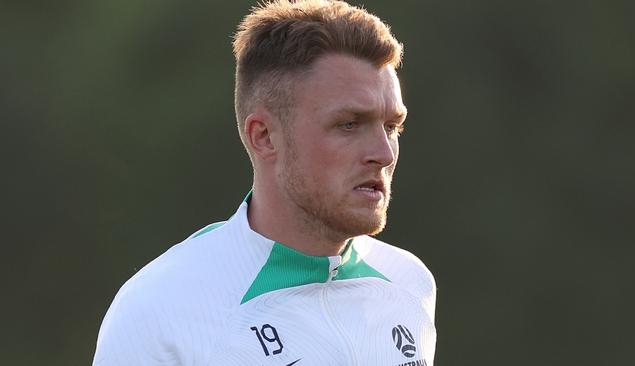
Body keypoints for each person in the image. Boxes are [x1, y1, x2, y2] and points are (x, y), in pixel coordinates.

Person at [92, 0, 436, 365]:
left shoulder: (409, 283)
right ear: (264, 137)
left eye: (391, 127)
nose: (383, 153)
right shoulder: (160, 309)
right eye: (349, 124)